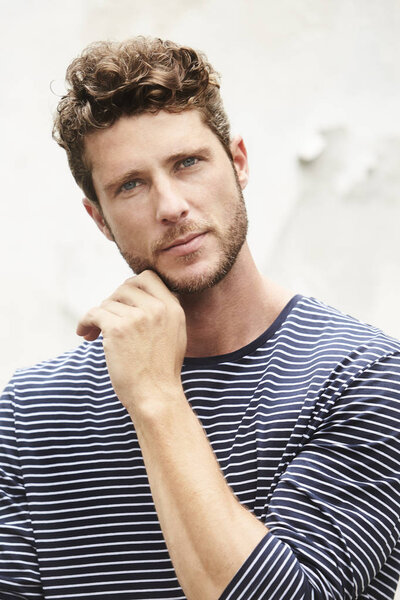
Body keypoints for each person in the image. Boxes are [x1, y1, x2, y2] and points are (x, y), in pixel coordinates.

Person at [1, 36, 400, 600]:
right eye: (130, 185)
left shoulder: (366, 379)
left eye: (187, 163)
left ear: (237, 162)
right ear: (99, 218)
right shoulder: (29, 412)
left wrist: (156, 396)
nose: (171, 206)